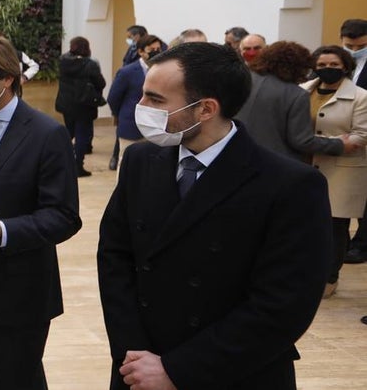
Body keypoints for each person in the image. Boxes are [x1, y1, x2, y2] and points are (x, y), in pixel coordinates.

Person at [97, 42, 332, 390]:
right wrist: (133, 352)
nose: (140, 107)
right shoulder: (141, 161)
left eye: (156, 99)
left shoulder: (289, 185)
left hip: (232, 370)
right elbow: (115, 257)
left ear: (205, 108)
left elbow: (283, 305)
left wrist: (178, 370)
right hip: (140, 369)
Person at [0, 36, 81, 390]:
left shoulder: (46, 133)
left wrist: (4, 231)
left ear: (7, 78)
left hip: (19, 293)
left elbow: (64, 215)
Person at [301, 45, 367, 297]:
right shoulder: (302, 91)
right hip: (306, 165)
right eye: (322, 66)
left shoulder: (361, 96)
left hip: (342, 169)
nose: (328, 70)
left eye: (334, 66)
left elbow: (361, 135)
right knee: (307, 225)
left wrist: (328, 144)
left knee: (335, 226)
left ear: (346, 67)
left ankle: (330, 278)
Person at [235, 40, 331, 162]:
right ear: (298, 67)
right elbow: (302, 141)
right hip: (275, 163)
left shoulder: (241, 80)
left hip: (236, 156)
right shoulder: (296, 94)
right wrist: (340, 144)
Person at [106, 34, 163, 171]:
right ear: (141, 52)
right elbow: (113, 97)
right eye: (151, 49)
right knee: (126, 163)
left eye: (158, 49)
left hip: (155, 127)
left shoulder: (162, 71)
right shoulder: (127, 72)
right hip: (131, 126)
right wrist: (120, 115)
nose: (155, 52)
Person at [55, 36, 106, 177]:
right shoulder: (90, 64)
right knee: (82, 136)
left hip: (67, 104)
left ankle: (62, 161)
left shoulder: (63, 62)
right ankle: (78, 166)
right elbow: (101, 83)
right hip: (85, 105)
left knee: (68, 133)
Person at [340, 18, 367, 262]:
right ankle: (344, 243)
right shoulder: (335, 62)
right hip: (341, 139)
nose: (355, 51)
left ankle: (362, 245)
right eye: (351, 46)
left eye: (361, 47)